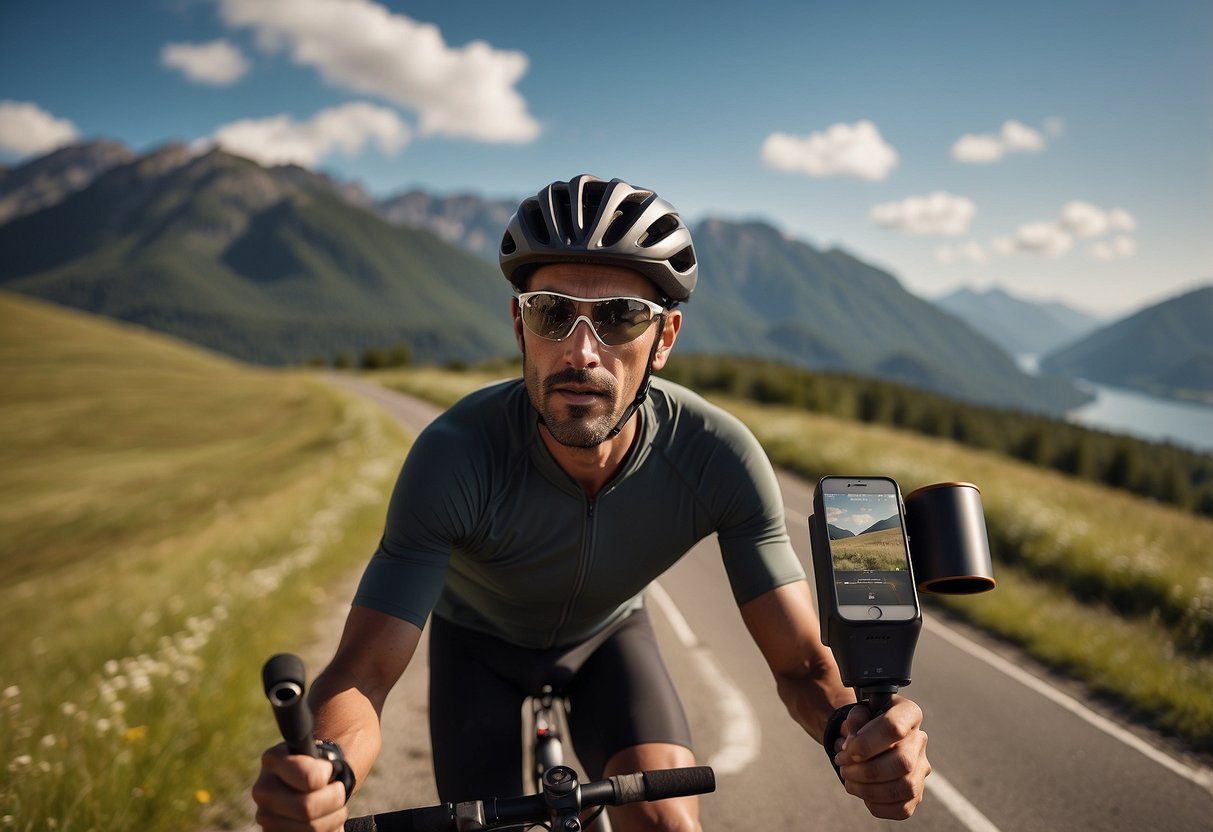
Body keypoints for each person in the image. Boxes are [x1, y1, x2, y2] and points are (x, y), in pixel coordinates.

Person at [253, 174, 931, 831]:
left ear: (663, 339)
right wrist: (329, 769)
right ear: (521, 330)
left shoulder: (717, 457)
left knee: (666, 822)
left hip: (608, 642)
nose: (581, 352)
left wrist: (855, 732)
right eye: (551, 312)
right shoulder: (453, 456)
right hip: (476, 651)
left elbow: (804, 665)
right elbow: (364, 673)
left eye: (619, 318)